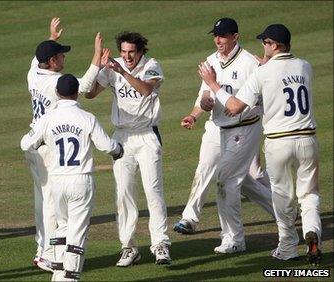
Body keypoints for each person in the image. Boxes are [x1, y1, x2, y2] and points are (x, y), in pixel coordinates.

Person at [199, 23, 322, 265]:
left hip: (279, 142)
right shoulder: (305, 66)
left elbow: (234, 107)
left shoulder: (261, 73)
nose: (262, 46)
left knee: (282, 195)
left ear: (274, 45)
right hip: (308, 139)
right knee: (309, 194)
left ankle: (288, 247)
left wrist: (213, 84)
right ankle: (313, 231)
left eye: (265, 43)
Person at [173, 18, 275, 237]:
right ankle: (189, 218)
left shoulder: (249, 63)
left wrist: (239, 107)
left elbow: (262, 98)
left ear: (235, 37)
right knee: (207, 170)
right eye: (215, 36)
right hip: (216, 126)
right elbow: (205, 96)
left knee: (230, 178)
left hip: (244, 129)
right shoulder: (210, 61)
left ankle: (280, 212)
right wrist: (196, 112)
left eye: (223, 36)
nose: (218, 40)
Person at [21, 74, 123, 281]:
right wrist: (118, 150)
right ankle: (70, 278)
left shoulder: (47, 119)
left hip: (57, 180)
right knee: (77, 232)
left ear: (58, 93)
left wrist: (41, 142)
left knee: (63, 226)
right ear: (77, 93)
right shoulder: (87, 118)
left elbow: (25, 144)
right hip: (80, 179)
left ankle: (59, 274)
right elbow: (107, 146)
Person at [25, 17, 105, 271]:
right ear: (51, 62)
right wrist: (96, 59)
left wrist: (52, 39)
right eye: (60, 55)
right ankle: (49, 254)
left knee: (44, 201)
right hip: (48, 150)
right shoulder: (52, 82)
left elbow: (38, 55)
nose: (63, 58)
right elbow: (81, 87)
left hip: (37, 144)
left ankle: (43, 250)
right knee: (50, 205)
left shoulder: (33, 72)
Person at [86, 32, 171, 266]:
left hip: (146, 136)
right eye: (123, 52)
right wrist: (97, 64)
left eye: (131, 52)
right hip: (122, 137)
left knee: (153, 191)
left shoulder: (151, 66)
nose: (127, 56)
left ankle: (160, 245)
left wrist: (121, 71)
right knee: (123, 193)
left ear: (141, 51)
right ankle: (128, 247)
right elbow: (89, 93)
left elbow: (145, 90)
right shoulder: (114, 66)